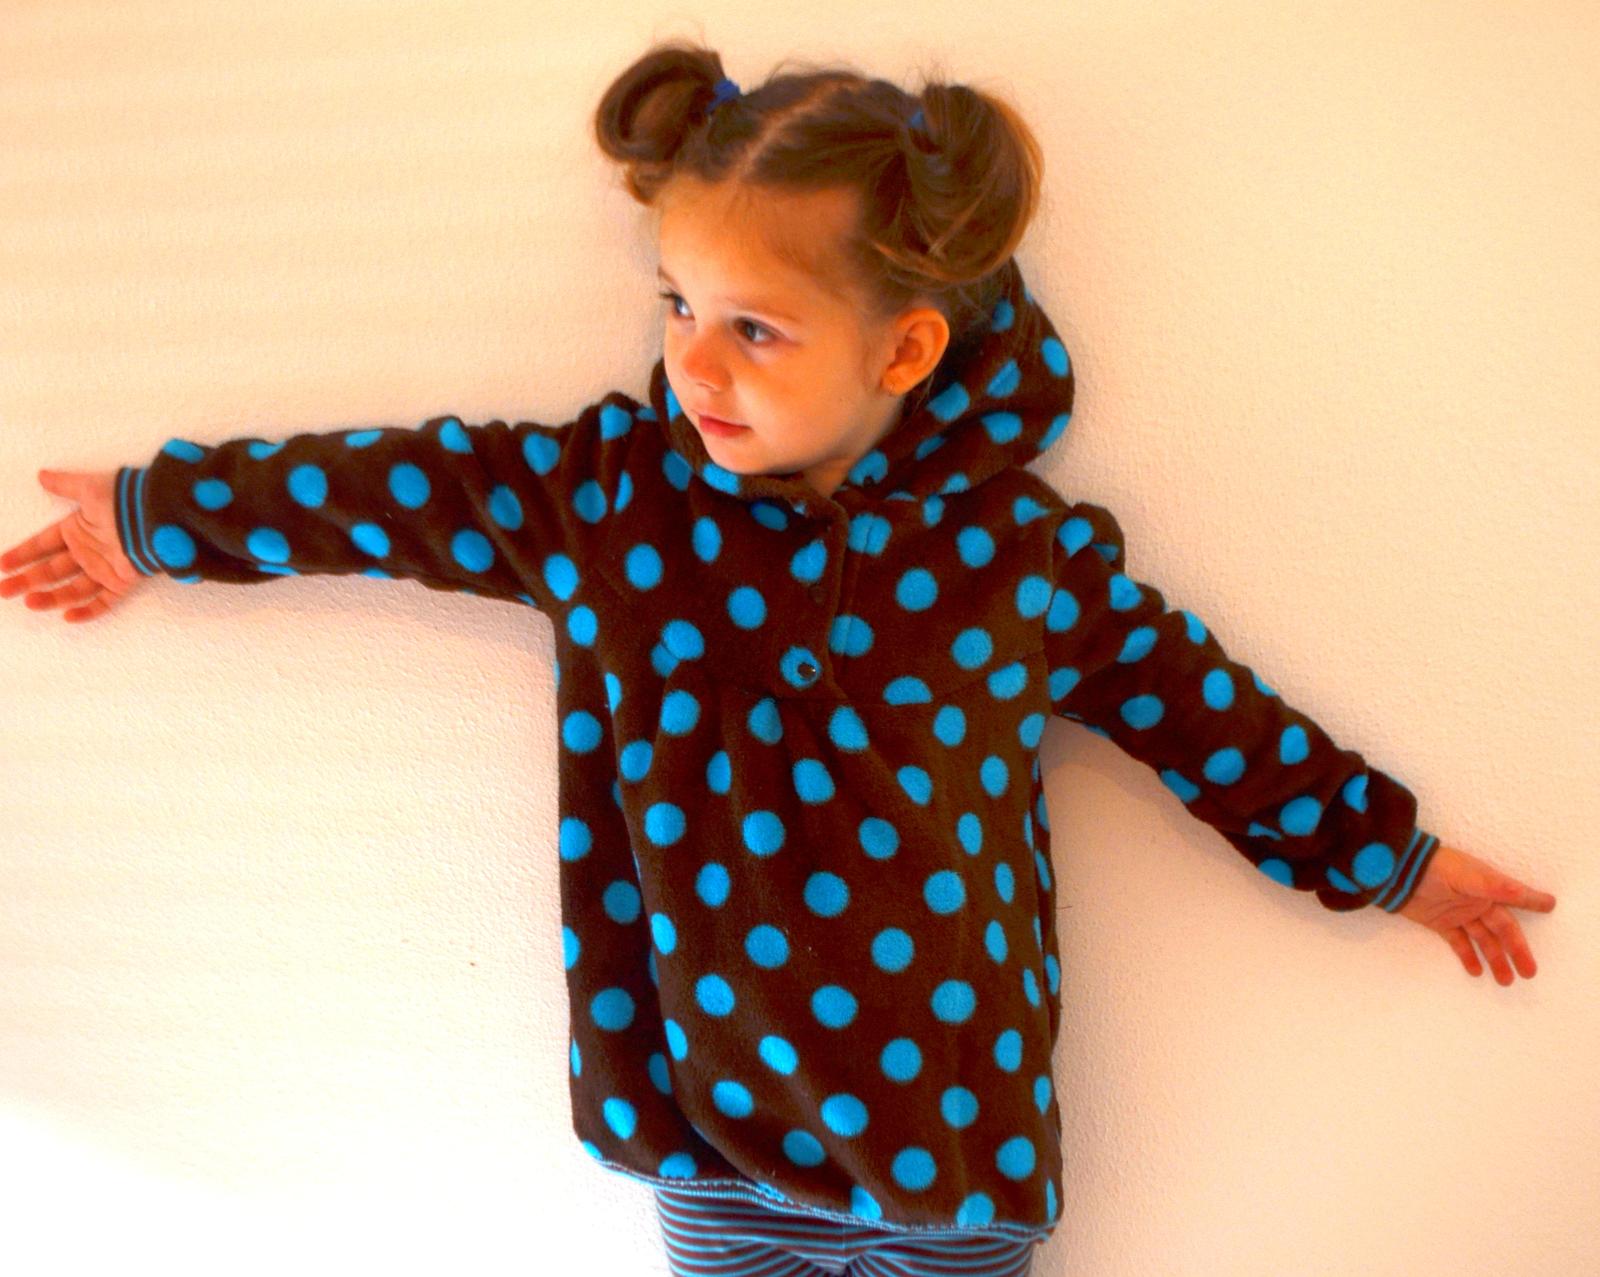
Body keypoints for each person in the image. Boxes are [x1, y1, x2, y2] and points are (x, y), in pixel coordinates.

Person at [0, 41, 1557, 1277]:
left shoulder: (1017, 559)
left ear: (904, 349)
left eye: (755, 328)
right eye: (678, 304)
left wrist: (1394, 860)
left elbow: (1209, 719)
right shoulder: (607, 497)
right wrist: (161, 516)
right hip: (710, 1138)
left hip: (953, 1155)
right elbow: (396, 487)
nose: (692, 360)